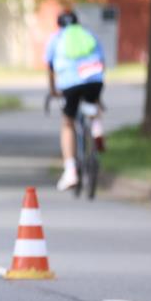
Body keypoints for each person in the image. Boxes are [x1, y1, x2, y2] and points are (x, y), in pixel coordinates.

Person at [45, 10, 106, 191]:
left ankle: (70, 171)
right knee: (93, 104)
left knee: (67, 124)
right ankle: (96, 128)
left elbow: (50, 67)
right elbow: (102, 62)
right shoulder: (89, 34)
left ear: (59, 25)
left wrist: (53, 90)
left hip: (70, 82)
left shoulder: (56, 38)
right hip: (94, 79)